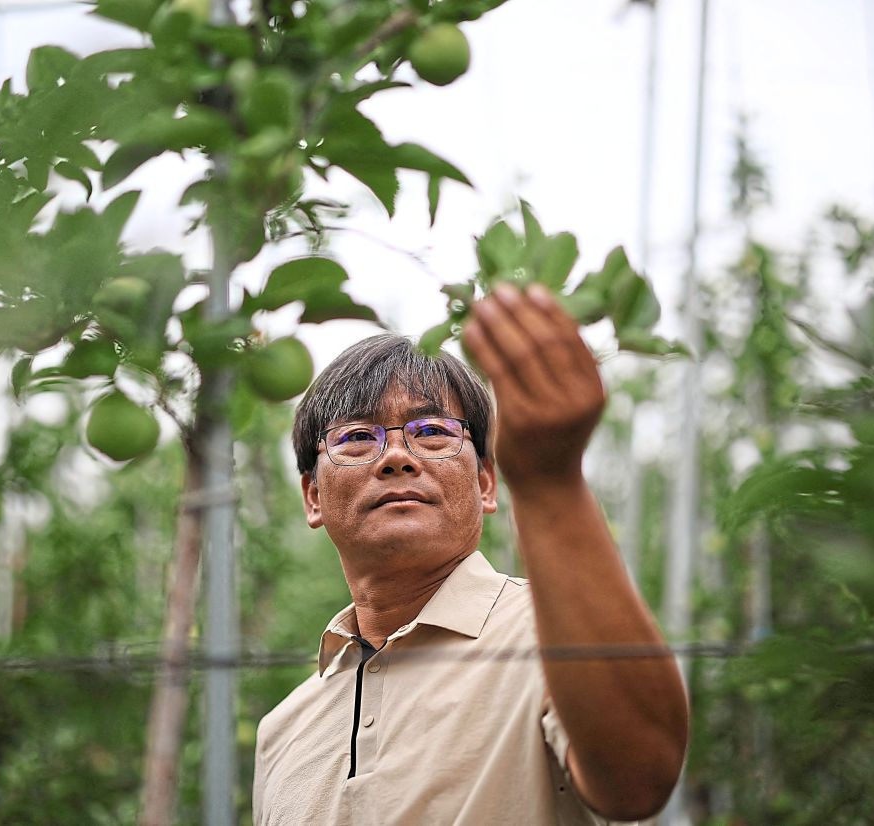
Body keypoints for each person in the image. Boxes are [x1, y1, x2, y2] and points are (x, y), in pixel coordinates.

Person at [252, 283, 689, 825]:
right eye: (357, 436)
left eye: (432, 430)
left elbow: (639, 777)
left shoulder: (553, 635)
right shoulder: (283, 731)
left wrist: (549, 480)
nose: (395, 456)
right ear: (313, 496)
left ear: (487, 483)